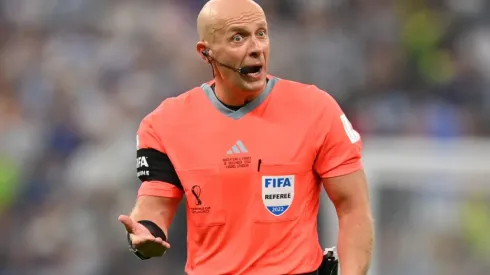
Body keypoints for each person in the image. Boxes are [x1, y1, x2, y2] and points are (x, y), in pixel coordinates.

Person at [117, 0, 374, 274]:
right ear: (206, 53)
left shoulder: (317, 110)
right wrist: (145, 233)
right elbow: (154, 205)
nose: (256, 48)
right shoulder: (165, 123)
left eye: (261, 33)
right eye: (238, 37)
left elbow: (353, 208)